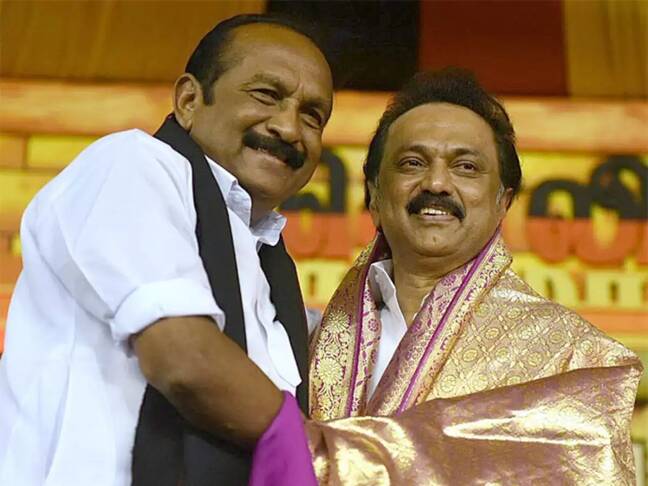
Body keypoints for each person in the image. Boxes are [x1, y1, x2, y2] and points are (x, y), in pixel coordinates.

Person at [249, 69, 643, 485]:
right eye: (412, 163)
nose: (436, 183)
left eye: (466, 167)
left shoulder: (577, 359)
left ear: (503, 203)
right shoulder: (299, 342)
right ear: (375, 196)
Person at [0, 14, 333, 486]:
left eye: (312, 115)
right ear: (190, 100)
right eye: (266, 95)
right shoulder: (133, 164)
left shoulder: (269, 269)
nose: (289, 128)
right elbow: (184, 359)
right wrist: (325, 455)